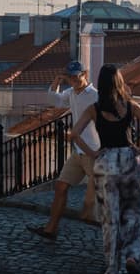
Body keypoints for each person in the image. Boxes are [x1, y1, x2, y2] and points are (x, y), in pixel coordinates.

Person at [71, 63, 140, 274]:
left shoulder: (94, 109)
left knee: (110, 216)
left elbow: (74, 134)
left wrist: (93, 153)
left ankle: (112, 267)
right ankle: (132, 256)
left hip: (106, 162)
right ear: (118, 82)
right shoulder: (129, 106)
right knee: (131, 212)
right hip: (129, 160)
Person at [29, 59, 100, 240]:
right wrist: (57, 80)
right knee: (61, 186)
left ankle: (111, 234)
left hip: (93, 152)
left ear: (85, 75)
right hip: (78, 151)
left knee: (95, 201)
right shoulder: (71, 93)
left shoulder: (95, 96)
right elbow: (54, 99)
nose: (73, 80)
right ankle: (50, 229)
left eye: (75, 77)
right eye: (70, 77)